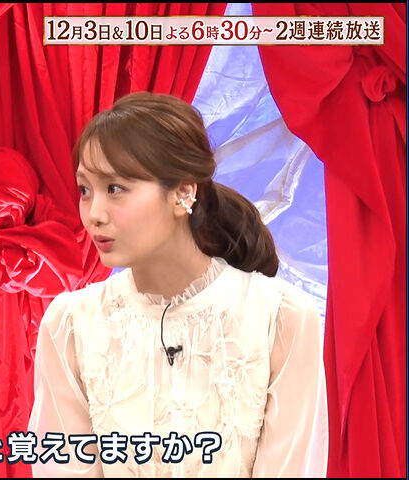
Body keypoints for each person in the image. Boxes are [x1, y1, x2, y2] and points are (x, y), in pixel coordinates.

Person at [28, 92, 328, 477]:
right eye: (85, 190)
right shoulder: (70, 325)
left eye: (115, 188)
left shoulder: (282, 319)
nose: (94, 214)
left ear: (184, 192)